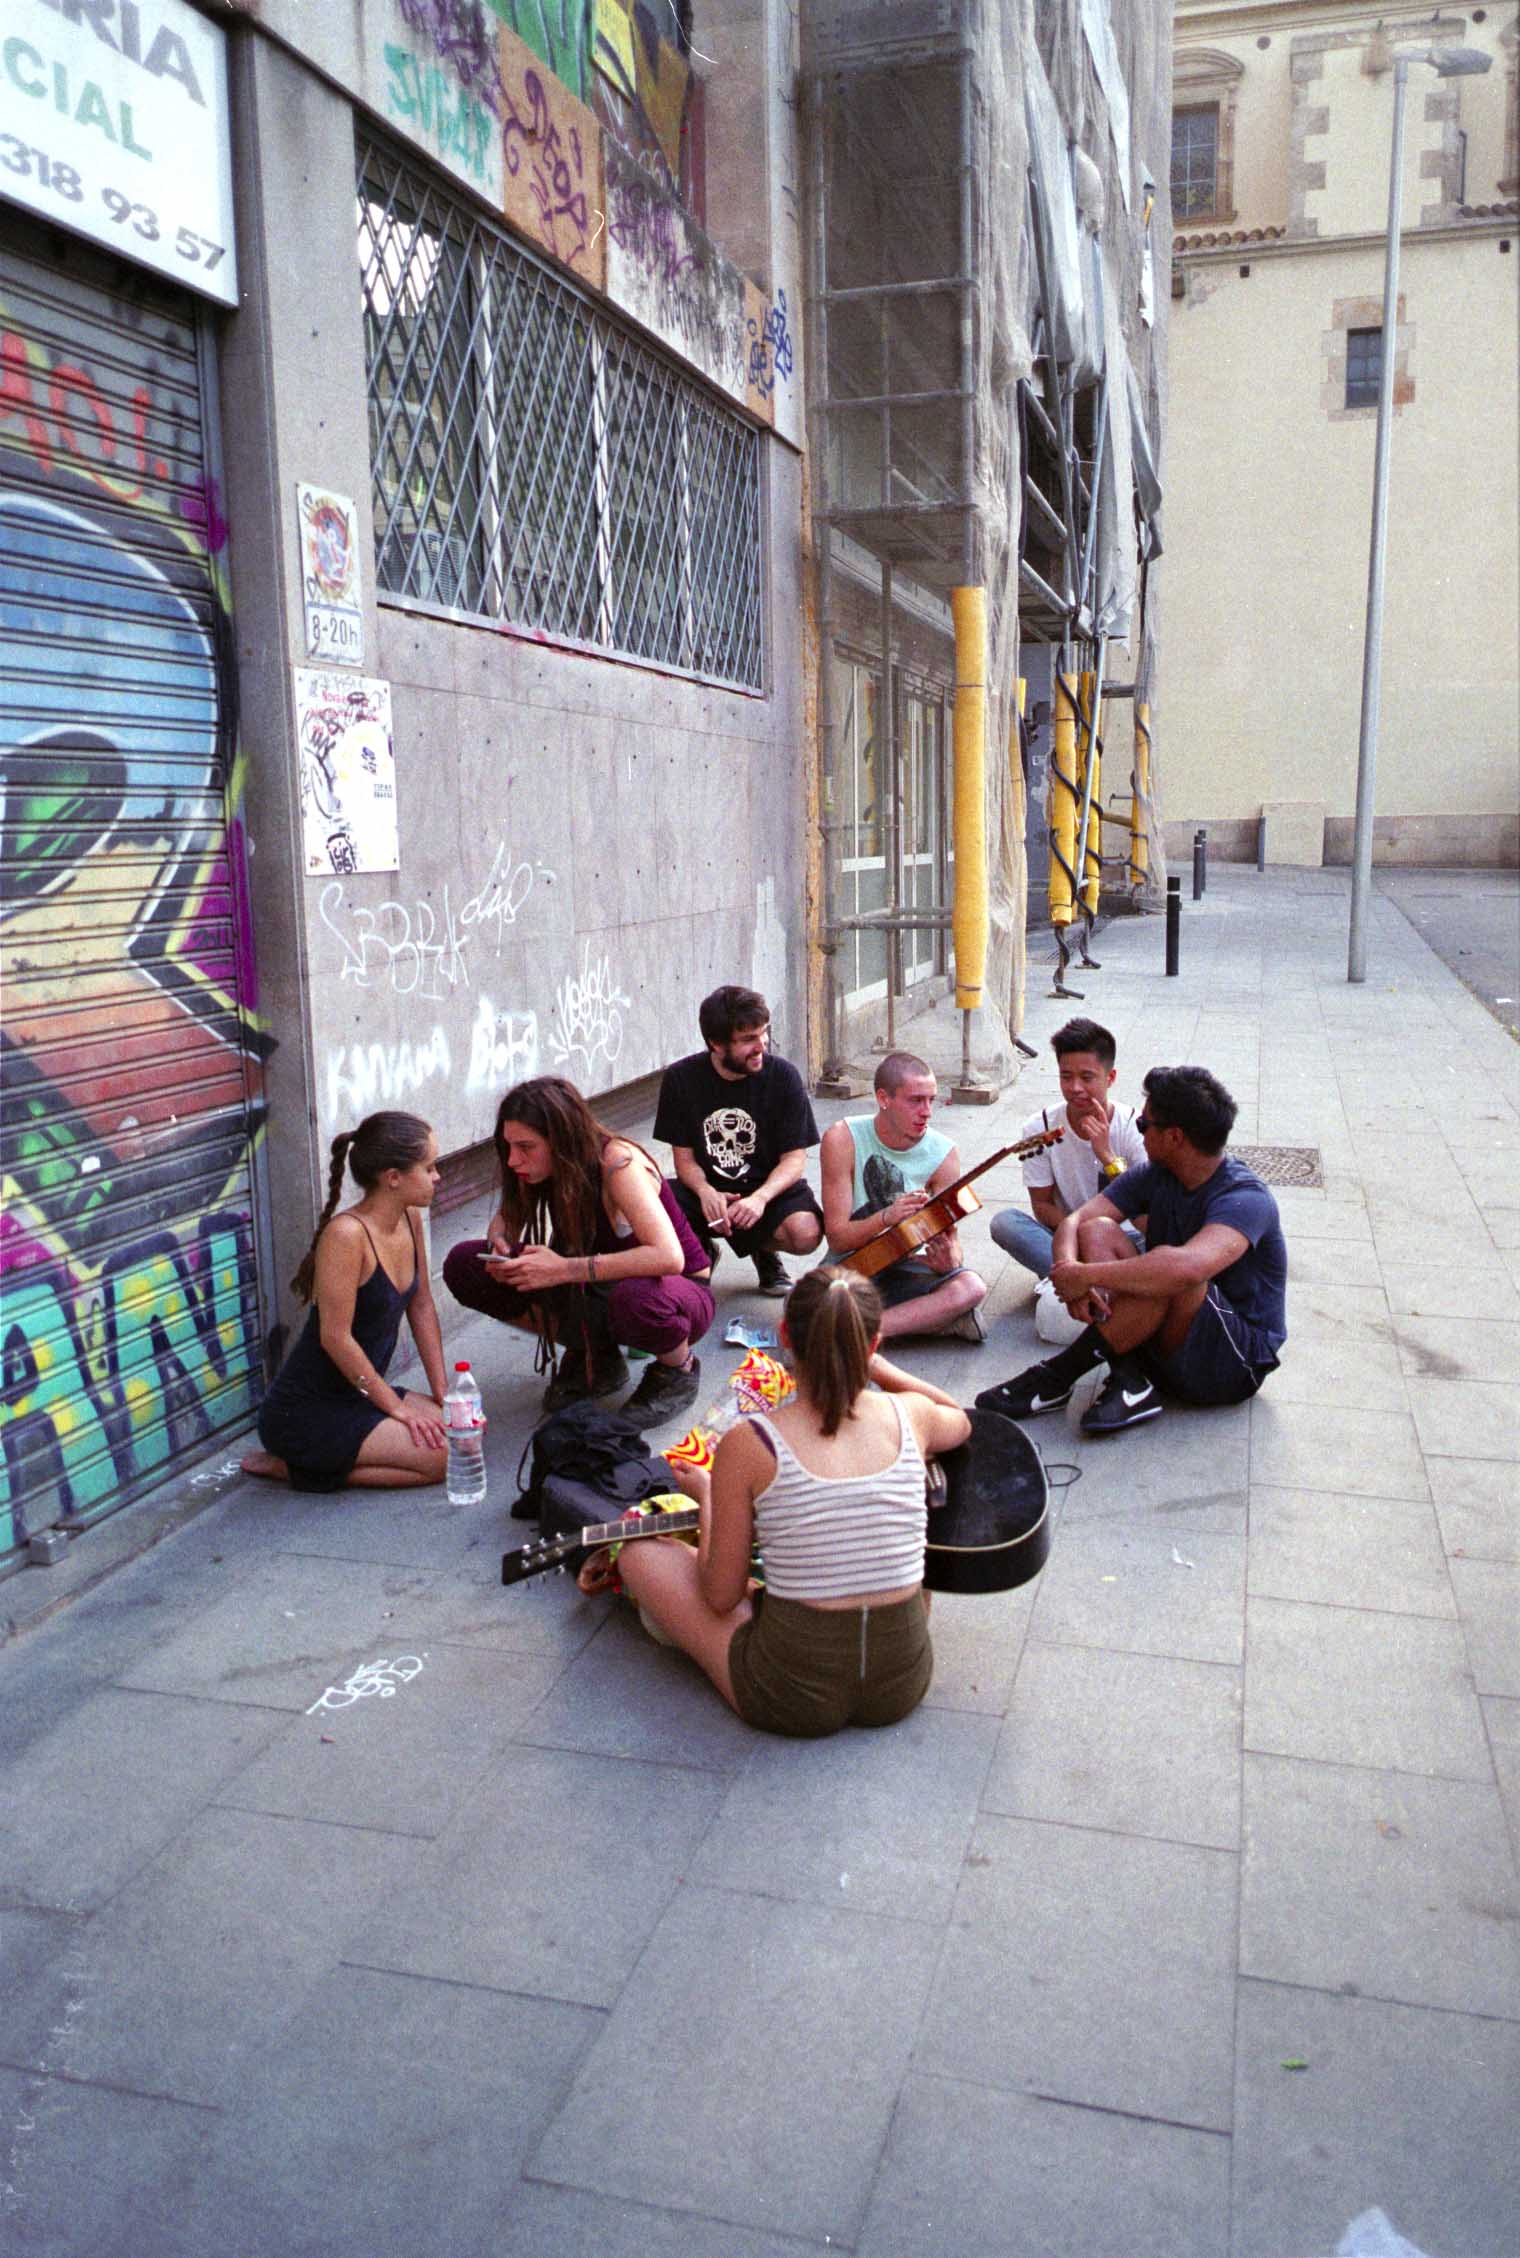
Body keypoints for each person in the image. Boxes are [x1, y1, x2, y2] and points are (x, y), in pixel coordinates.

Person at [616, 1265, 971, 1736]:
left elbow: (719, 1597)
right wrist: (878, 1369)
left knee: (639, 1554)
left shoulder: (750, 1443)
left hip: (788, 1694)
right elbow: (960, 1419)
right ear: (873, 1343)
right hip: (902, 1683)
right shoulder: (912, 1414)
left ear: (785, 1335)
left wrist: (706, 1495)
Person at [976, 1064, 1287, 1437]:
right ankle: (1130, 1379)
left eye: (1145, 1126)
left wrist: (1086, 1276)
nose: (1139, 1132)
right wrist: (1067, 1269)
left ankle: (1057, 1375)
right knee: (1098, 1231)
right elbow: (1075, 1222)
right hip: (1168, 1337)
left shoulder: (1245, 1197)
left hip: (1232, 1364)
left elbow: (1186, 1269)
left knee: (1172, 1272)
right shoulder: (1158, 1174)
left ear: (1174, 1137)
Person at [443, 1076, 714, 1426]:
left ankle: (677, 1369)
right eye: (509, 1146)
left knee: (636, 1299)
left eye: (526, 1147)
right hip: (598, 1287)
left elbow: (668, 1257)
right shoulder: (538, 1167)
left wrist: (563, 1269)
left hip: (674, 1289)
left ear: (561, 1140)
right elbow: (507, 1220)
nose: (513, 1159)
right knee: (465, 1264)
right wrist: (502, 1245)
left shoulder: (618, 1163)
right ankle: (595, 1355)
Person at [242, 1111, 449, 1489]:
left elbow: (420, 1305)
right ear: (393, 1178)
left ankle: (330, 1456)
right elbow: (334, 1338)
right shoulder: (346, 1236)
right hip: (305, 1411)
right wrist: (397, 1408)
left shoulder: (410, 1217)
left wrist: (444, 1393)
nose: (438, 1177)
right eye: (429, 1167)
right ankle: (294, 1468)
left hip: (360, 1392)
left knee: (459, 1430)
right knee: (440, 1459)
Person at [654, 984, 824, 1297]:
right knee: (650, 1203)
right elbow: (685, 1160)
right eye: (748, 1039)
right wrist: (705, 1192)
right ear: (716, 1044)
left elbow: (794, 1160)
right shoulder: (681, 1078)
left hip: (767, 1188)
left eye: (763, 1033)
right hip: (707, 1189)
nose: (762, 1045)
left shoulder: (784, 1076)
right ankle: (700, 1250)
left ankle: (762, 1249)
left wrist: (759, 1199)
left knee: (806, 1233)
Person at [818, 1052, 989, 1343]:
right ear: (884, 1099)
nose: (927, 1112)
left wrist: (950, 1260)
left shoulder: (944, 1154)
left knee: (971, 1287)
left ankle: (864, 1332)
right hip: (853, 1264)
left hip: (911, 1267)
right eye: (915, 1100)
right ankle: (936, 1322)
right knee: (804, 1303)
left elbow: (952, 1239)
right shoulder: (842, 1139)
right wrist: (886, 1217)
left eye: (931, 1100)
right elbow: (837, 1238)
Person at [990, 1017, 1146, 1280]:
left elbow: (1144, 1204)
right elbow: (1042, 1205)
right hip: (1067, 1237)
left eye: (1087, 1077)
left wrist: (1107, 1156)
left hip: (1126, 1240)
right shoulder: (1039, 1127)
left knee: (1169, 1241)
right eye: (1066, 1077)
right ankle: (1088, 1277)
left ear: (1111, 1078)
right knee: (1005, 1223)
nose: (1075, 1088)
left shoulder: (1135, 1125)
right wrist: (1078, 1237)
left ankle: (1073, 1279)